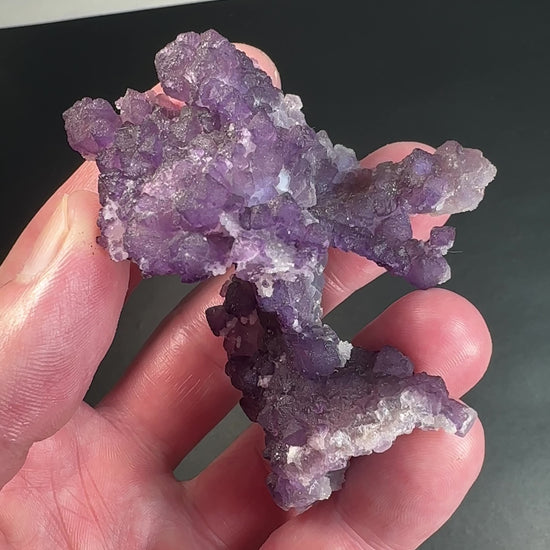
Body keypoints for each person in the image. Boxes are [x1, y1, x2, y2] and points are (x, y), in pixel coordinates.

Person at [0, 46, 490, 549]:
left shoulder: (296, 178)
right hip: (281, 329)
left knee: (292, 328)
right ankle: (310, 425)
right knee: (282, 332)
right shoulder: (190, 184)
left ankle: (313, 424)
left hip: (291, 309)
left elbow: (348, 201)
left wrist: (407, 204)